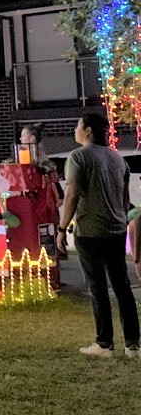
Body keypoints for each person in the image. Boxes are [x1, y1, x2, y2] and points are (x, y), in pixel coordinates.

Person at [57, 113, 139, 358]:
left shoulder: (78, 156)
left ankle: (104, 343)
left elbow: (71, 195)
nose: (75, 130)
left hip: (90, 231)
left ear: (89, 130)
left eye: (77, 125)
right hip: (116, 229)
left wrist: (62, 229)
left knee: (98, 287)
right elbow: (124, 200)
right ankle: (133, 344)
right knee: (122, 286)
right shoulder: (118, 159)